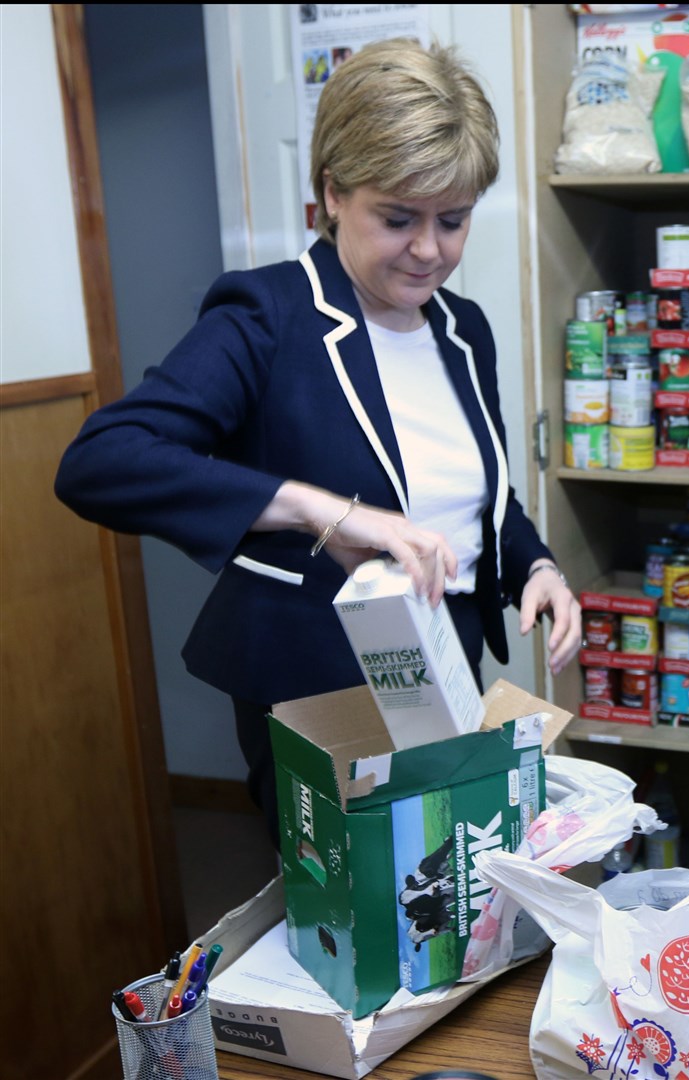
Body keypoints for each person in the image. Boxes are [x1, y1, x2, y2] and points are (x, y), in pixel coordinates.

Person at [55, 39, 581, 843]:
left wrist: (535, 565)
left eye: (454, 219)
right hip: (313, 690)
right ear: (333, 192)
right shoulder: (266, 317)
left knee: (452, 900)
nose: (430, 250)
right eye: (398, 218)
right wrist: (318, 510)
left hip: (440, 672)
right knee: (355, 936)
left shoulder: (463, 330)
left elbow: (480, 488)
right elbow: (101, 462)